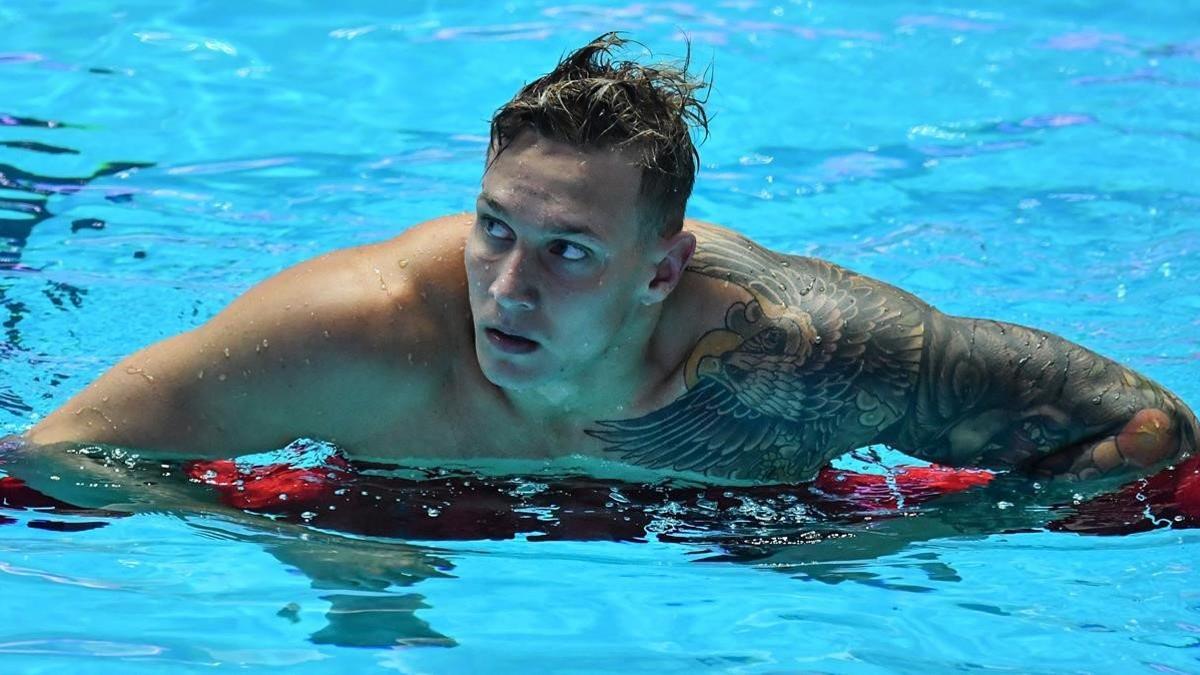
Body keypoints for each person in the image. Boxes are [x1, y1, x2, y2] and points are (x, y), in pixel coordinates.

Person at [15, 33, 1199, 493]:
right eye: (493, 229)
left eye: (569, 251)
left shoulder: (802, 352)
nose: (508, 287)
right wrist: (290, 537)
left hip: (742, 516)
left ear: (662, 271)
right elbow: (49, 457)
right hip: (391, 499)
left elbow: (1153, 431)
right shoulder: (349, 335)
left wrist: (928, 537)